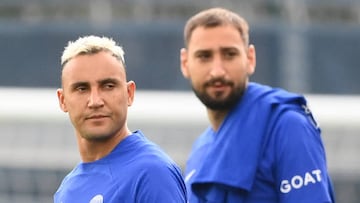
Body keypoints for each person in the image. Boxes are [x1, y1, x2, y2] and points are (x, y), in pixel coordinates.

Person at [180, 7, 335, 203]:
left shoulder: (287, 127)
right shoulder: (200, 149)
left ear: (250, 58)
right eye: (204, 56)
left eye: (229, 54)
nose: (217, 71)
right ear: (185, 63)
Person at [54, 35, 187, 203]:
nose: (95, 101)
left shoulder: (151, 173)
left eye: (108, 86)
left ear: (129, 93)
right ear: (63, 100)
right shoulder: (67, 190)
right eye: (82, 88)